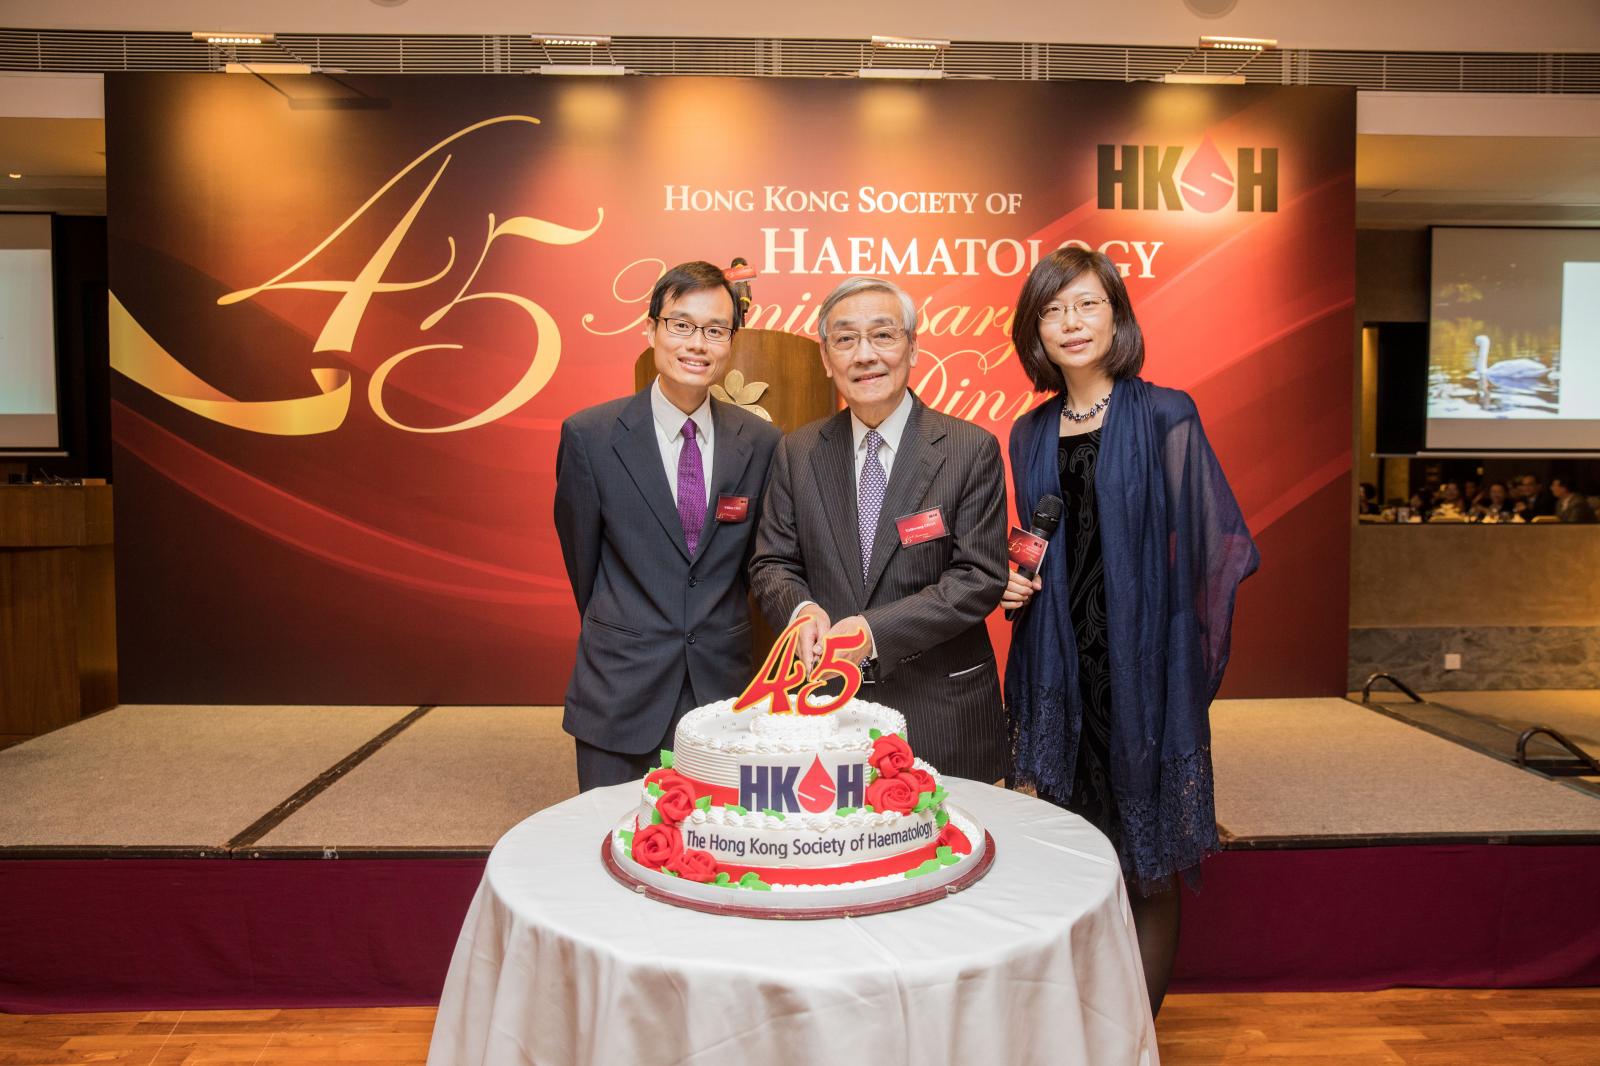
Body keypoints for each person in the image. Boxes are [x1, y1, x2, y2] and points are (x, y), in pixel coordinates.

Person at [1000, 248, 1258, 1016]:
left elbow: (1215, 544)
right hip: (1060, 670)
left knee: (1148, 866)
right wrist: (1016, 581)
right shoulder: (1029, 432)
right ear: (1035, 331)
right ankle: (1079, 1026)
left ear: (1117, 315)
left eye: (1087, 304)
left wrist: (1172, 654)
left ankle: (1132, 1040)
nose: (1071, 323)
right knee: (1072, 854)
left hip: (1140, 672)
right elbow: (1040, 539)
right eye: (1053, 310)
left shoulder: (1167, 413)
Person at [749, 276, 1009, 782]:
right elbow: (773, 561)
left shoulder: (969, 448)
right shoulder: (797, 451)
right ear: (827, 358)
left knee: (947, 832)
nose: (865, 355)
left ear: (913, 347)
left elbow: (979, 577)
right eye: (846, 339)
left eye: (883, 335)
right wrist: (800, 611)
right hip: (827, 707)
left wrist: (873, 632)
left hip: (940, 708)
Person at [554, 261, 782, 790]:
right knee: (611, 832)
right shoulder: (590, 436)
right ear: (651, 328)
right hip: (620, 686)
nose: (697, 344)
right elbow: (582, 562)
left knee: (718, 835)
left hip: (722, 692)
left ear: (731, 341)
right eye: (681, 325)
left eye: (715, 330)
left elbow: (759, 564)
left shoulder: (761, 443)